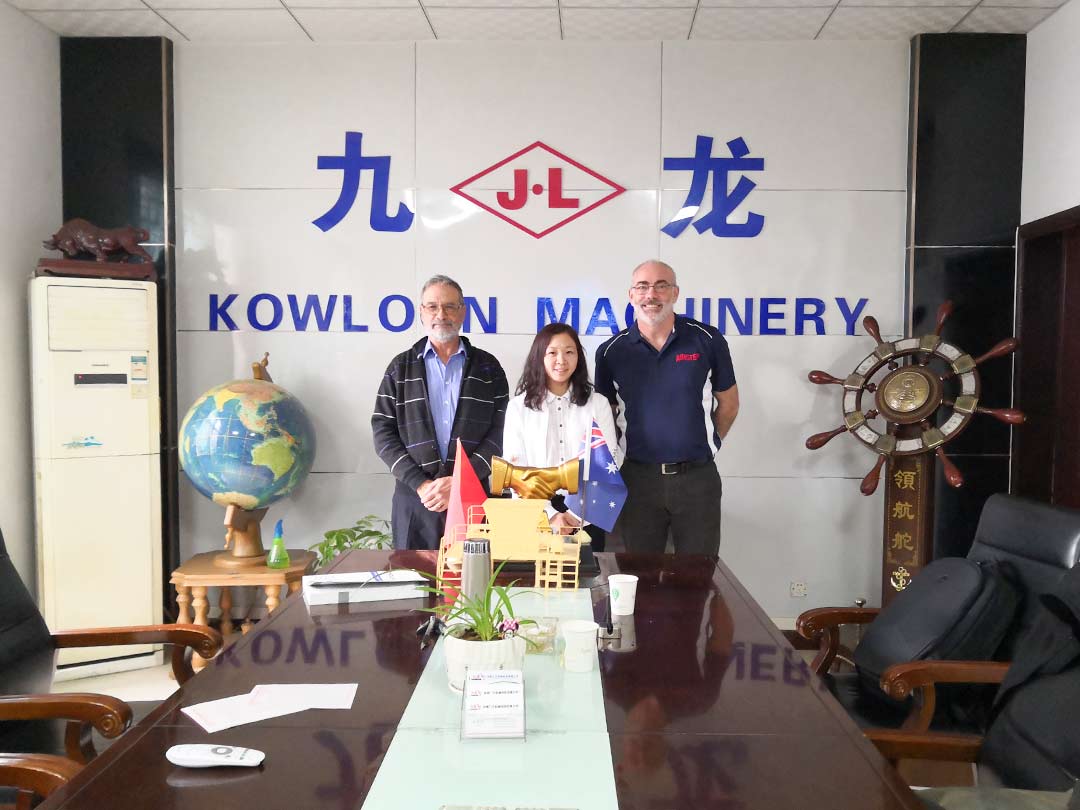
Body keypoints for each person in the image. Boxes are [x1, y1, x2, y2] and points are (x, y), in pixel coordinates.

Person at [594, 260, 738, 556]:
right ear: (631, 295)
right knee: (640, 573)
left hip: (697, 479)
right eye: (643, 287)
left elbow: (729, 403)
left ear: (675, 293)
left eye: (661, 286)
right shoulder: (611, 352)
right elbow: (606, 416)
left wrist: (708, 444)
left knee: (699, 573)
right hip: (638, 480)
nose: (651, 294)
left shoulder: (707, 339)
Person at [371, 275, 508, 550]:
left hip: (472, 498)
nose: (441, 314)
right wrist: (421, 485)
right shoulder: (400, 367)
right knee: (413, 575)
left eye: (449, 306)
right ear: (421, 312)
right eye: (432, 307)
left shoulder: (488, 368)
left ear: (463, 312)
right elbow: (383, 432)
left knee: (474, 575)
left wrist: (459, 483)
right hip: (416, 500)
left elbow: (502, 431)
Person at [502, 323, 622, 550]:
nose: (561, 360)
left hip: (588, 514)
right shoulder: (518, 407)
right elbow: (516, 470)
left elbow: (608, 462)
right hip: (536, 514)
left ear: (578, 357)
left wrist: (575, 515)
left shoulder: (598, 404)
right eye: (552, 353)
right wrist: (550, 516)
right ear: (539, 356)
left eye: (569, 352)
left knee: (587, 572)